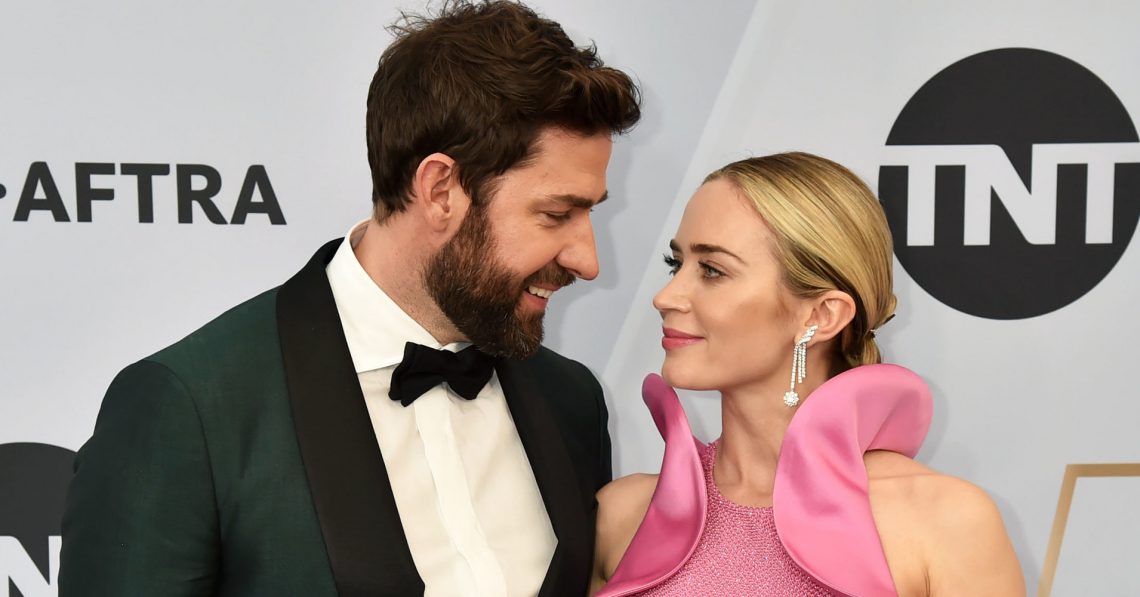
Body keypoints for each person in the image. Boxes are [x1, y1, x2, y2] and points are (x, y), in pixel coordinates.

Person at [59, 2, 640, 596]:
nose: (587, 260)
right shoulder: (188, 410)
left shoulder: (571, 401)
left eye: (589, 213)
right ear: (441, 190)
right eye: (556, 214)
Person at [590, 153, 1023, 596]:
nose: (665, 296)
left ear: (821, 315)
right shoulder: (625, 515)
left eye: (713, 271)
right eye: (675, 264)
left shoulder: (943, 521)